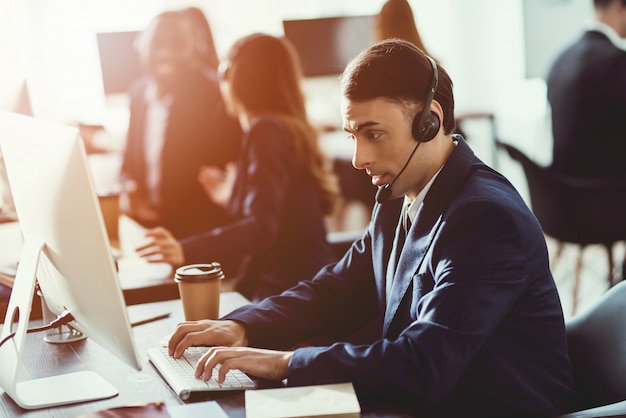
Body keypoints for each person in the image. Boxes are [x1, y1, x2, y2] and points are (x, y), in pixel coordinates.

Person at [165, 39, 580, 417]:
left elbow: (422, 363)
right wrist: (244, 325)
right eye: (353, 135)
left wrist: (284, 362)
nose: (358, 159)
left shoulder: (486, 220)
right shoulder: (399, 191)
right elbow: (337, 289)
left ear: (429, 122)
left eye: (374, 134)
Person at [136, 33, 341, 301]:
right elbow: (280, 214)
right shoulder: (286, 127)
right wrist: (233, 196)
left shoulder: (265, 130)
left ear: (240, 78)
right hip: (303, 282)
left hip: (291, 291)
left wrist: (183, 250)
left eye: (224, 70)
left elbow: (260, 229)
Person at [120, 10, 242, 239]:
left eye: (176, 44)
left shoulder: (214, 94)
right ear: (142, 46)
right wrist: (129, 191)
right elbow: (128, 164)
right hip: (153, 229)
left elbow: (234, 169)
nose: (166, 52)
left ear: (194, 49)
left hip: (202, 233)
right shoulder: (138, 93)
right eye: (158, 43)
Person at [546, 0, 626, 177]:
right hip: (610, 195)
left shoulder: (560, 60)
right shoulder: (619, 63)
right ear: (620, 5)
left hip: (565, 197)